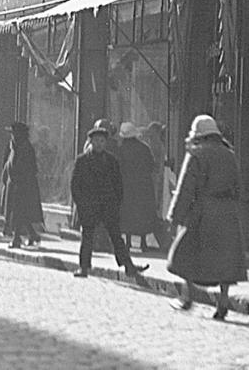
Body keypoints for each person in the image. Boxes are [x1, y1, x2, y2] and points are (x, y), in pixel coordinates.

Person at [167, 114, 247, 320]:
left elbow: (186, 188)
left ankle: (187, 296)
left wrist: (174, 216)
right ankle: (222, 301)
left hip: (203, 212)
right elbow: (238, 187)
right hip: (227, 213)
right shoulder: (230, 155)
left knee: (185, 252)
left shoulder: (196, 154)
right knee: (226, 259)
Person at [71, 122, 149, 279]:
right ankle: (84, 267)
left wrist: (116, 203)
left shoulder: (111, 161)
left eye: (102, 141)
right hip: (89, 206)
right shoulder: (82, 161)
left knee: (116, 237)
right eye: (96, 141)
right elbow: (75, 185)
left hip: (107, 206)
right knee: (87, 237)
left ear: (105, 143)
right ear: (90, 142)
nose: (99, 144)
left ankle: (129, 267)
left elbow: (118, 185)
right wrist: (81, 204)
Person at [1, 121, 43, 249]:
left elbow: (29, 168)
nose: (12, 136)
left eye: (14, 133)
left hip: (24, 185)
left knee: (19, 212)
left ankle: (16, 239)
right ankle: (32, 235)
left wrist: (19, 180)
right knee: (21, 212)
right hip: (13, 183)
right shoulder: (13, 146)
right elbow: (8, 163)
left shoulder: (25, 147)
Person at [117, 122, 158, 252]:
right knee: (142, 213)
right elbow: (152, 165)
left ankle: (128, 241)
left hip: (127, 185)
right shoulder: (144, 148)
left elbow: (118, 167)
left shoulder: (121, 149)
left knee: (128, 213)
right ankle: (143, 242)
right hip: (143, 186)